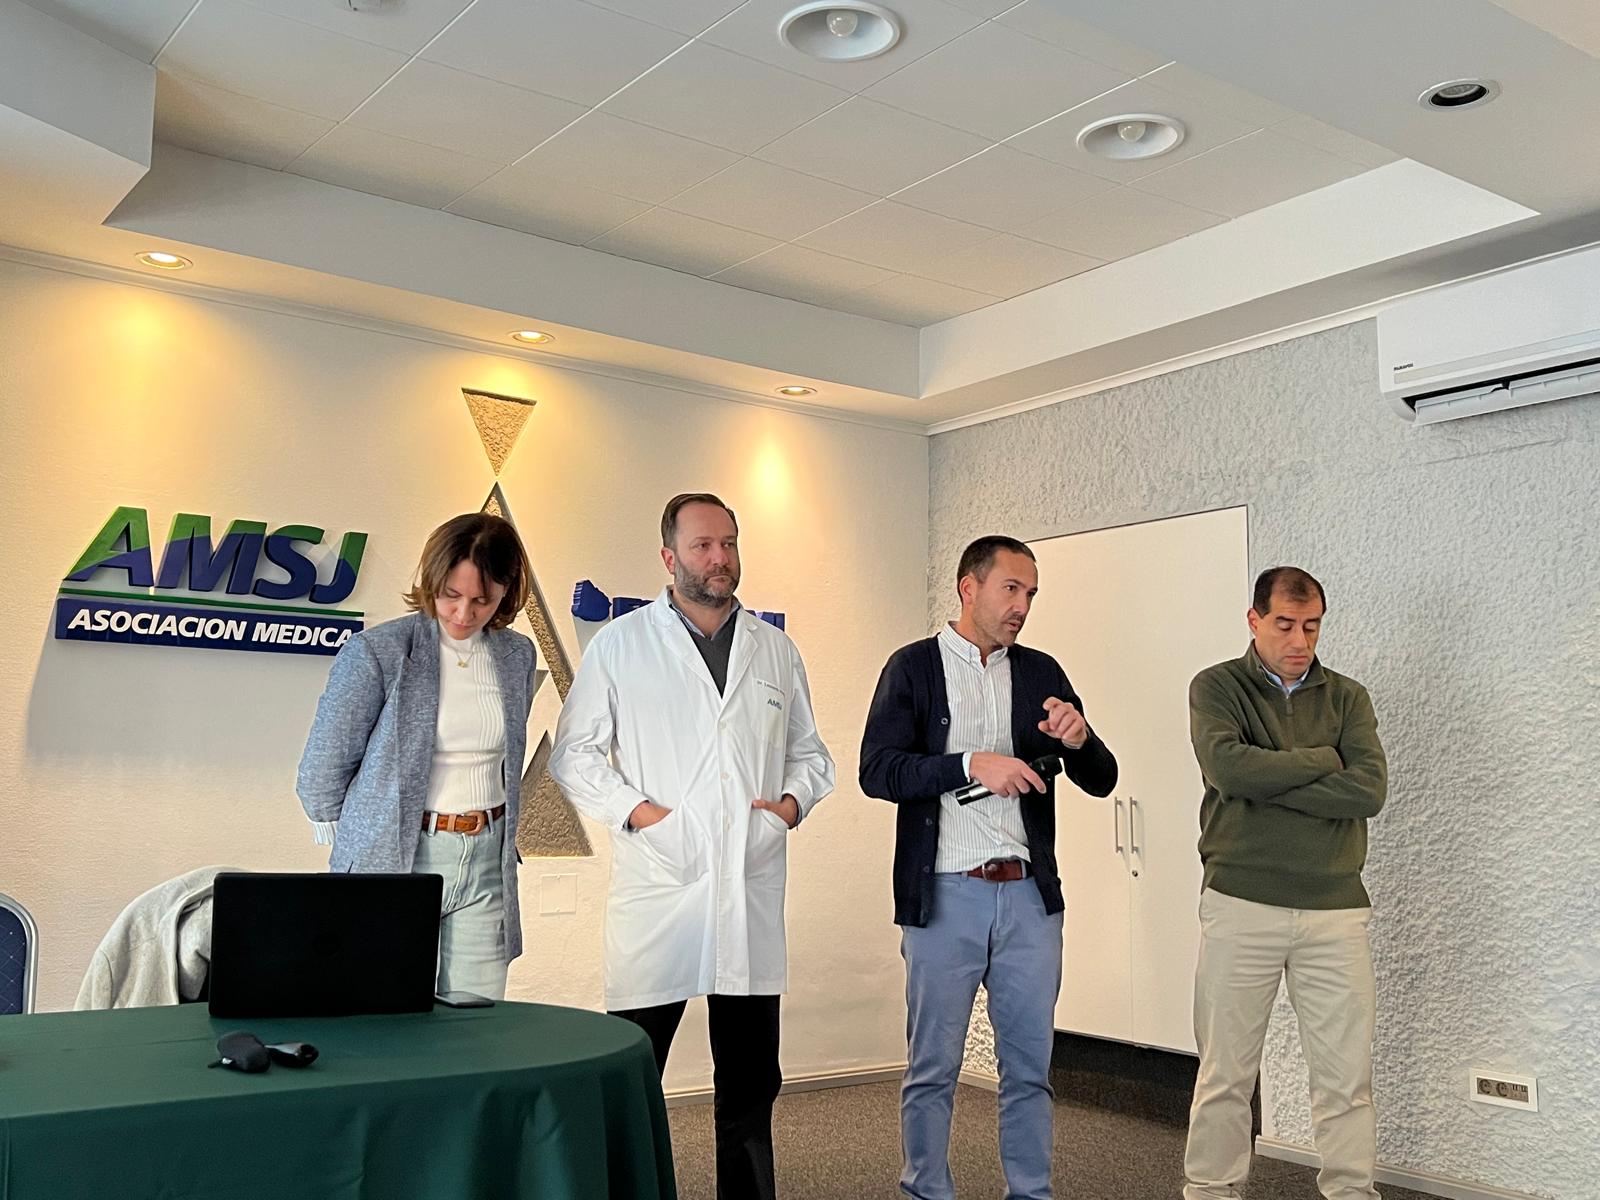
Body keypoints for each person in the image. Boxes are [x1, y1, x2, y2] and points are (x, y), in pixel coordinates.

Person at [550, 492, 835, 1200]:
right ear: (668, 556)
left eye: (729, 544)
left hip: (749, 880)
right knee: (632, 1071)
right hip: (662, 882)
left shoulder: (774, 650)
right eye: (703, 545)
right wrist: (643, 814)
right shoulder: (622, 645)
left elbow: (811, 755)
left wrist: (789, 807)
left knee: (751, 1083)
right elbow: (573, 756)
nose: (720, 558)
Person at [859, 535, 1118, 1200]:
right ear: (968, 588)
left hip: (1029, 899)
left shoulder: (1040, 671)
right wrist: (971, 764)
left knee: (1030, 1070)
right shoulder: (913, 668)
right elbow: (878, 771)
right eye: (1011, 589)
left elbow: (1102, 777)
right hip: (945, 896)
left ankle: (1030, 1192)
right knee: (933, 1068)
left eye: (1030, 593)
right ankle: (926, 1190)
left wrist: (1080, 739)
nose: (1022, 606)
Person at [1183, 566, 1387, 1200]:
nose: (1300, 641)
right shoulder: (1217, 687)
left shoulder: (1348, 698)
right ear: (1255, 620)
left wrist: (1268, 776)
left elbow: (1368, 791)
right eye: (1285, 625)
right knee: (1225, 1074)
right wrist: (1324, 760)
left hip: (1335, 910)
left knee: (1346, 1078)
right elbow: (1229, 769)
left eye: (1312, 626)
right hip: (1240, 904)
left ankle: (1352, 1192)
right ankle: (1211, 1191)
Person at [297, 512, 538, 1001]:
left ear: (507, 592)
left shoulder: (518, 655)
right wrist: (363, 842)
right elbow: (324, 765)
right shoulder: (379, 652)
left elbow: (505, 758)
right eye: (451, 594)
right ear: (431, 580)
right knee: (387, 1014)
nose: (464, 613)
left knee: (476, 1017)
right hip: (400, 858)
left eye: (483, 599)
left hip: (487, 858)